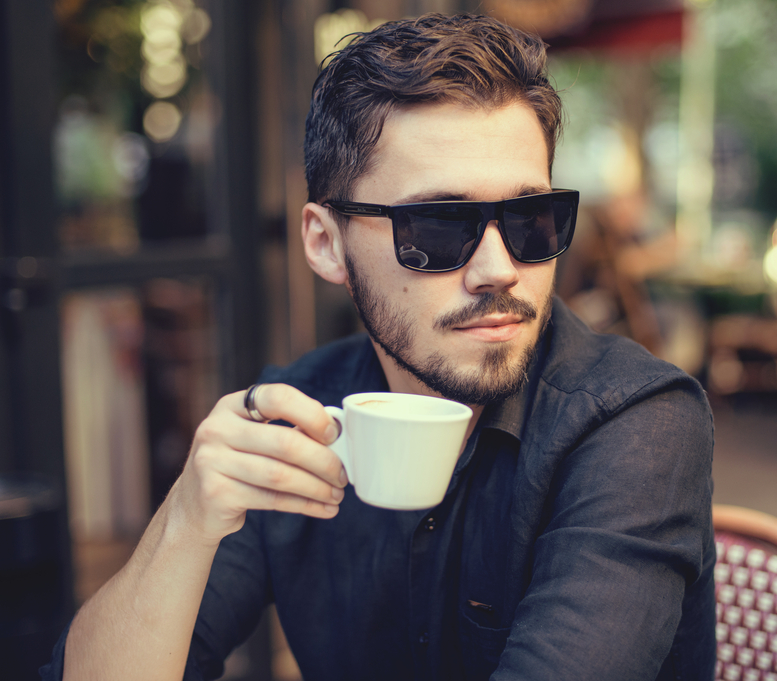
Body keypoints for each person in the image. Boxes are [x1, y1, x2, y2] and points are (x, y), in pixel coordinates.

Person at [46, 13, 715, 681]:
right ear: (325, 243)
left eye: (529, 219)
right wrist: (184, 523)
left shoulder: (637, 421)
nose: (499, 268)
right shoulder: (300, 421)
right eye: (439, 224)